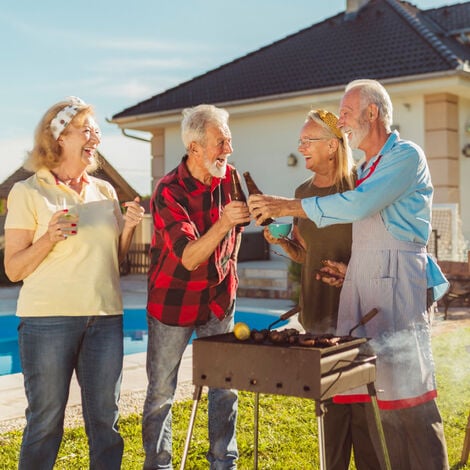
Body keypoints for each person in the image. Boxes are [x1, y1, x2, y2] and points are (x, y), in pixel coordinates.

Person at [248, 79, 449, 470]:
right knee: (381, 403)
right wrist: (353, 271)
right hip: (365, 289)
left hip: (399, 292)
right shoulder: (370, 167)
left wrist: (289, 206)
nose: (340, 121)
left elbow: (359, 205)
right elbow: (369, 233)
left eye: (344, 112)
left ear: (371, 113)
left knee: (412, 404)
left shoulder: (406, 156)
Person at [4, 96, 145, 470]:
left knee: (105, 422)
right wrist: (48, 238)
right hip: (47, 322)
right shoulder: (28, 192)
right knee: (46, 423)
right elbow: (14, 269)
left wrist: (128, 227)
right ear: (60, 137)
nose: (95, 137)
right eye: (87, 130)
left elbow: (115, 258)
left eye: (96, 131)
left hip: (105, 318)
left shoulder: (105, 191)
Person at [263, 108, 381, 470]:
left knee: (364, 414)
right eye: (300, 141)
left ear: (332, 146)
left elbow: (377, 249)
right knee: (329, 416)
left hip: (360, 315)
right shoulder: (302, 193)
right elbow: (307, 255)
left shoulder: (359, 186)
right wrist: (282, 243)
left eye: (307, 140)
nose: (300, 147)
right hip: (317, 317)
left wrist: (352, 273)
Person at [143, 104, 250, 469]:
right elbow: (189, 257)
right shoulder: (168, 191)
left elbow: (252, 216)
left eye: (229, 141)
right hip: (173, 303)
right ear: (195, 148)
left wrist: (269, 218)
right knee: (161, 393)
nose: (228, 150)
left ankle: (224, 462)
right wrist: (223, 224)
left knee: (225, 387)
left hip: (219, 300)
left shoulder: (232, 178)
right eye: (221, 142)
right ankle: (159, 465)